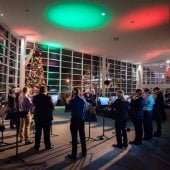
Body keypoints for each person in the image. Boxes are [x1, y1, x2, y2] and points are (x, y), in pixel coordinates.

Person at [67, 88, 87, 160]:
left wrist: (69, 101)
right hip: (81, 120)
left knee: (74, 138)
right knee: (82, 136)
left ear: (73, 93)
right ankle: (84, 152)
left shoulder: (72, 100)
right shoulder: (83, 100)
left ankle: (74, 155)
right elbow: (85, 109)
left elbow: (68, 109)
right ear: (79, 92)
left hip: (74, 120)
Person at [33, 86, 54, 151]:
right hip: (46, 118)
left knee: (37, 132)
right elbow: (52, 107)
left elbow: (34, 105)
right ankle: (47, 145)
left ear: (40, 90)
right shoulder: (48, 97)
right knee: (46, 132)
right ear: (45, 90)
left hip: (38, 117)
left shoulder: (35, 97)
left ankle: (37, 146)